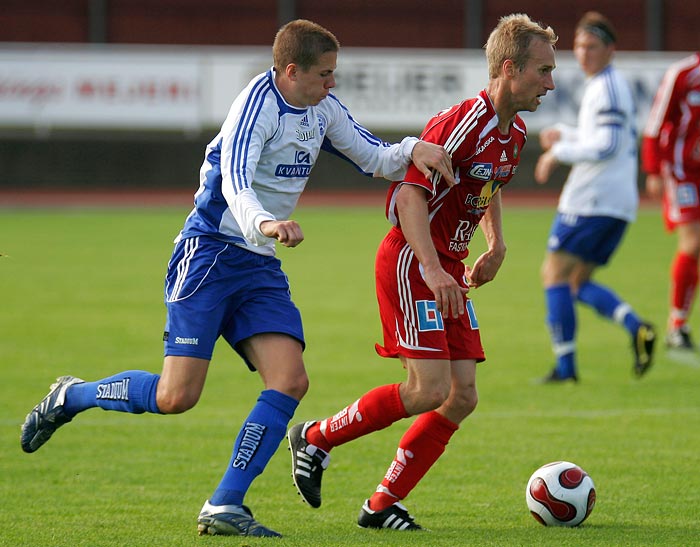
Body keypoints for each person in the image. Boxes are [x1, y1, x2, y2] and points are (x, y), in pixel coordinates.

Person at [19, 19, 455, 539]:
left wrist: (412, 149)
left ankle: (225, 504)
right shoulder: (255, 107)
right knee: (176, 396)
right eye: (324, 75)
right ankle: (72, 396)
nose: (331, 84)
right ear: (291, 71)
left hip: (258, 264)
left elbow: (372, 156)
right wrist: (265, 223)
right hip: (208, 255)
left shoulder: (322, 108)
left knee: (291, 380)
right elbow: (237, 181)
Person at [287, 13, 557, 531]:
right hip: (413, 262)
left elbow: (487, 186)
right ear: (509, 68)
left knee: (462, 396)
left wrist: (496, 244)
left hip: (447, 267)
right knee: (429, 389)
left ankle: (381, 503)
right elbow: (409, 195)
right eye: (542, 71)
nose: (550, 83)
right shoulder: (461, 123)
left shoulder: (515, 131)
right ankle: (315, 437)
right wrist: (433, 268)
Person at [533, 11, 656, 383]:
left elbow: (609, 144)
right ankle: (636, 327)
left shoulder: (607, 87)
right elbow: (601, 136)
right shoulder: (606, 85)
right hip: (615, 203)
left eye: (592, 46)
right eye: (580, 46)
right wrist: (566, 133)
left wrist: (558, 153)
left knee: (553, 274)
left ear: (610, 50)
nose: (584, 53)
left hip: (592, 199)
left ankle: (566, 369)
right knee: (577, 283)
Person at [641, 52, 700, 351]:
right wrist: (653, 169)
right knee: (692, 242)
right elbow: (656, 123)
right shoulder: (684, 73)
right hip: (683, 170)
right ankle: (677, 324)